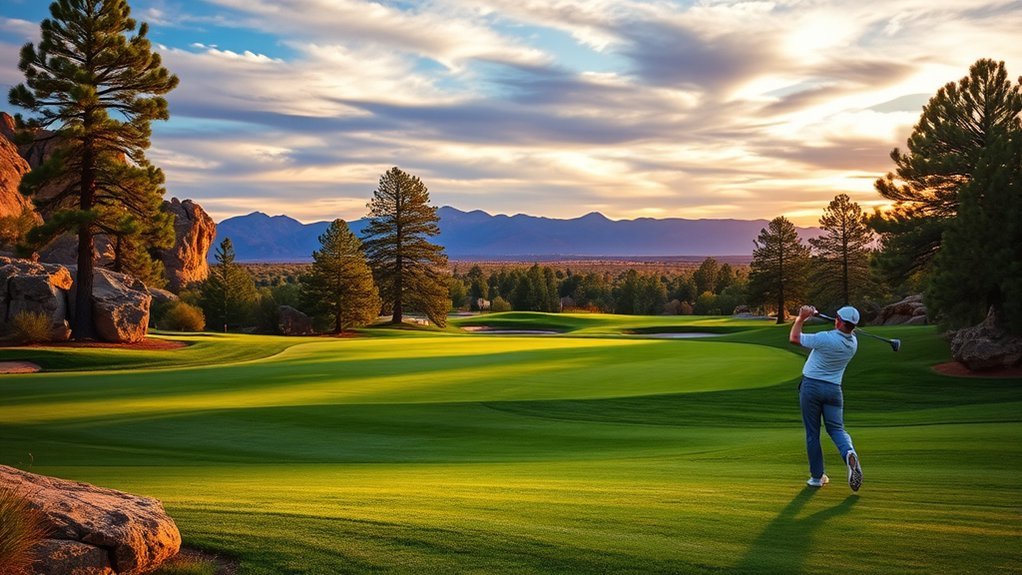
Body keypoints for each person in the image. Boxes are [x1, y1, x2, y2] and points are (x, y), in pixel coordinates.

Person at [789, 304, 863, 491]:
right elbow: (846, 331)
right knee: (837, 429)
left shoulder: (826, 338)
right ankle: (849, 453)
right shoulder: (853, 343)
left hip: (811, 388)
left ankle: (816, 477)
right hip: (834, 391)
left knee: (813, 434)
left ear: (838, 322)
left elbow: (794, 338)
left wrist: (801, 318)